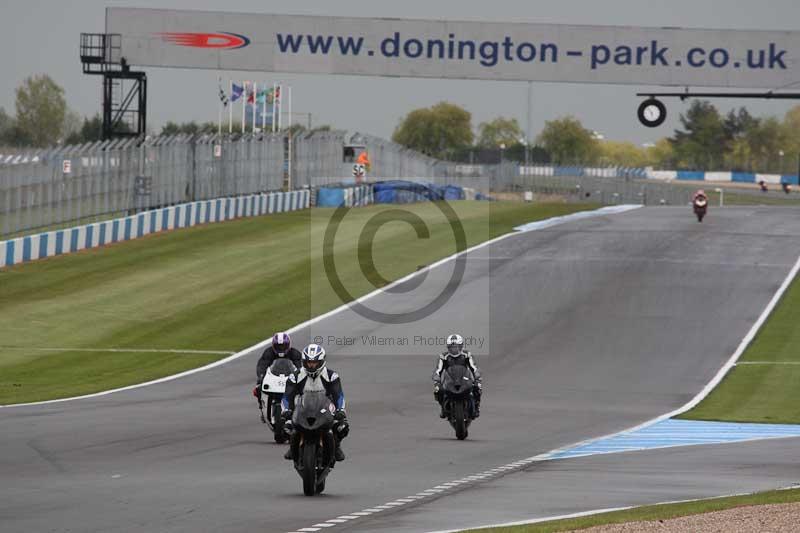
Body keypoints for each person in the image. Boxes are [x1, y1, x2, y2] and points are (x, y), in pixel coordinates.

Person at [281, 343, 349, 462]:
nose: (311, 365)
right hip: (302, 407)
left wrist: (340, 410)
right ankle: (293, 448)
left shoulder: (332, 376)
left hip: (325, 408)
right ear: (304, 362)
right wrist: (286, 411)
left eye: (314, 363)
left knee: (342, 427)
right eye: (308, 362)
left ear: (321, 361)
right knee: (287, 426)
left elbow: (339, 395)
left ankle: (336, 446)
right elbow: (287, 396)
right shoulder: (294, 376)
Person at [432, 333, 482, 418]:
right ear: (448, 348)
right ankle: (442, 408)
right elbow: (438, 369)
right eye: (452, 347)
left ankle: (476, 407)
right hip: (450, 380)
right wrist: (436, 379)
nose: (454, 349)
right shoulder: (444, 357)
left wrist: (477, 376)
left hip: (464, 378)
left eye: (456, 347)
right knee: (438, 390)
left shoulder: (466, 355)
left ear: (461, 346)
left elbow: (473, 367)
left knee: (478, 387)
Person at [252, 332, 302, 412]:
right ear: (273, 345)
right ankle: (261, 406)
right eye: (278, 346)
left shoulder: (294, 353)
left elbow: (301, 367)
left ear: (288, 345)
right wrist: (261, 376)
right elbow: (262, 365)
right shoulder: (269, 352)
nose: (281, 348)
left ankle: (300, 407)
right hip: (273, 376)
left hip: (289, 376)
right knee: (258, 387)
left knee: (303, 388)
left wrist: (300, 377)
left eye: (283, 346)